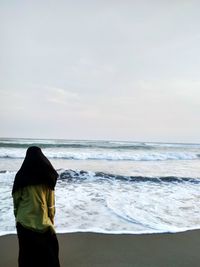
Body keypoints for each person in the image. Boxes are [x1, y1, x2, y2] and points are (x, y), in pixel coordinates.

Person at [12, 146, 60, 267]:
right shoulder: (47, 177)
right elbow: (51, 204)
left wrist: (17, 217)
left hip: (24, 222)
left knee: (26, 255)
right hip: (43, 222)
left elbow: (16, 201)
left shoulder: (21, 176)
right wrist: (51, 220)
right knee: (49, 256)